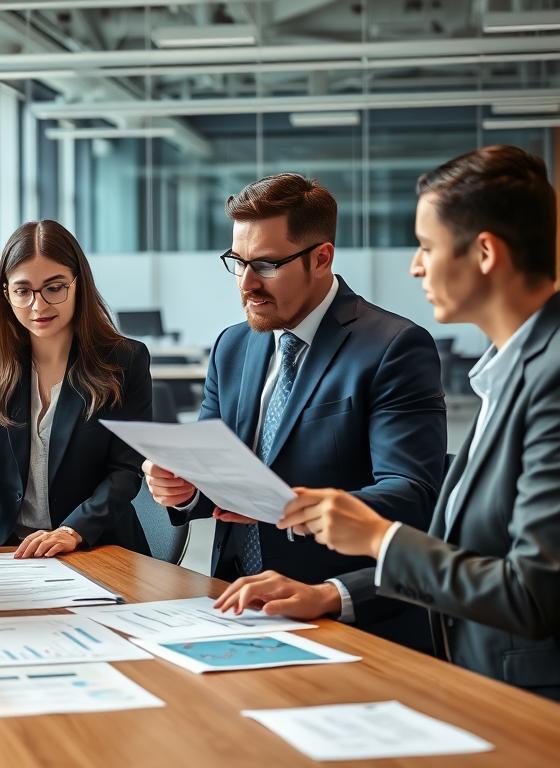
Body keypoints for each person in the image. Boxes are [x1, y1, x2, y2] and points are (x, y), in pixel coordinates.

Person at [217, 146, 560, 701]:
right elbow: (464, 549)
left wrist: (376, 536)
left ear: (486, 253)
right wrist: (334, 591)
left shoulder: (548, 374)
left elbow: (531, 590)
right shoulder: (510, 370)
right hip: (464, 674)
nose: (415, 265)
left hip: (525, 702)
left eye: (426, 246)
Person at [144, 174, 447, 649]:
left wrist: (284, 507)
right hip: (232, 604)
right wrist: (183, 488)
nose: (246, 284)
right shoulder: (233, 345)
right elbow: (215, 471)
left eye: (266, 264)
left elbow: (412, 495)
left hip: (346, 615)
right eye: (237, 262)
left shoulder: (392, 347)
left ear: (321, 258)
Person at [0, 219, 151, 559]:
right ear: (6, 294)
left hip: (95, 545)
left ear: (78, 285)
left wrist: (73, 531)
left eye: (54, 288)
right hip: (6, 548)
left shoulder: (125, 360)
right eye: (23, 291)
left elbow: (126, 470)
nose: (38, 306)